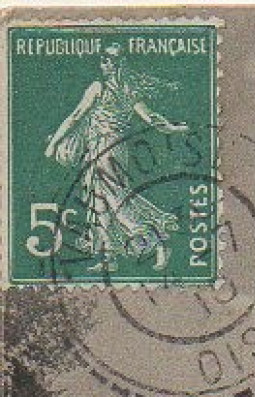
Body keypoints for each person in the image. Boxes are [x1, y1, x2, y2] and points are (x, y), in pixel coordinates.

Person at [45, 44, 189, 273]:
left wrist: (53, 144)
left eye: (105, 60)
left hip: (104, 148)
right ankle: (107, 256)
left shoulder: (98, 87)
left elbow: (75, 117)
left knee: (113, 199)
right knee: (98, 199)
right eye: (102, 59)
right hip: (114, 149)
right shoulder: (128, 89)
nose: (101, 64)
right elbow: (150, 118)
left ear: (113, 65)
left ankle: (156, 239)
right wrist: (171, 128)